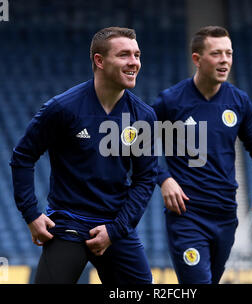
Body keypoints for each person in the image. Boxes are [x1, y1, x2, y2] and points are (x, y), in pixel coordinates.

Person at [10, 27, 157, 284]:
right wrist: (31, 214)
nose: (134, 62)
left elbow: (145, 178)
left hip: (115, 227)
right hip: (67, 225)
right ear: (99, 61)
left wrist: (115, 230)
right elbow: (23, 156)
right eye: (124, 55)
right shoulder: (62, 108)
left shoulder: (143, 116)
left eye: (137, 55)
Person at [152, 26, 252, 284]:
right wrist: (163, 178)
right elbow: (135, 143)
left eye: (229, 53)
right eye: (217, 53)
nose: (225, 60)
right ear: (197, 59)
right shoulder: (171, 101)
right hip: (187, 215)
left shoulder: (238, 102)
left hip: (224, 215)